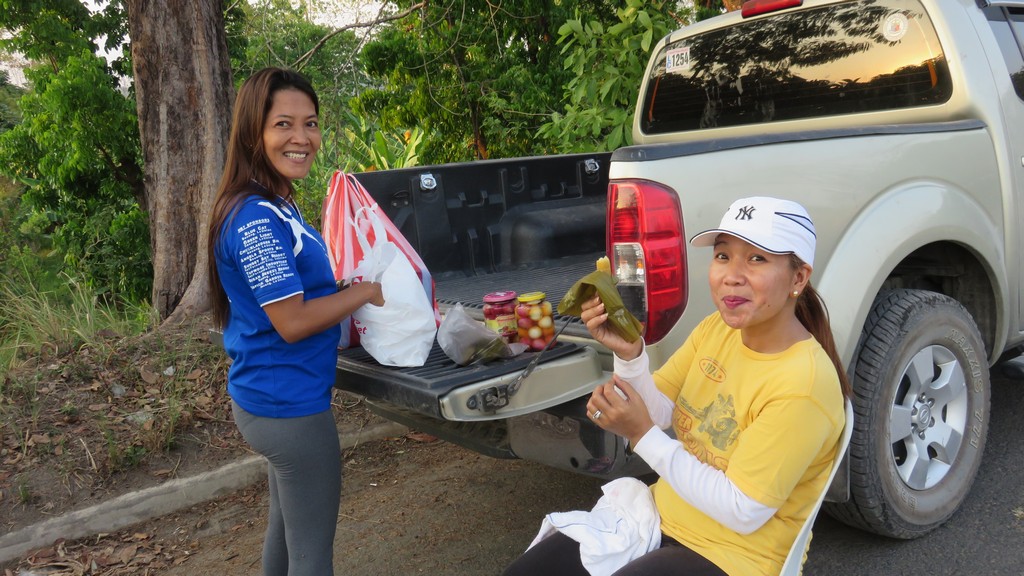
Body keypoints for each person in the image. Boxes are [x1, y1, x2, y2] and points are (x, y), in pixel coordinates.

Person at [504, 196, 849, 576]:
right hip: (658, 517)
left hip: (734, 556)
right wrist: (630, 355)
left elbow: (743, 510)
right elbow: (658, 412)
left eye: (756, 259)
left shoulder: (803, 384)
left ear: (798, 278)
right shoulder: (717, 330)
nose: (732, 275)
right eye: (723, 256)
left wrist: (642, 435)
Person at [206, 67, 383, 576]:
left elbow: (294, 298)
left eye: (311, 123)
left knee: (285, 532)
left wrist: (340, 292)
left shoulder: (272, 204)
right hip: (289, 408)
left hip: (272, 396)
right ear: (253, 132)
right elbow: (291, 321)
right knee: (311, 555)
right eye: (283, 124)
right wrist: (365, 293)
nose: (302, 138)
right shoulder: (256, 219)